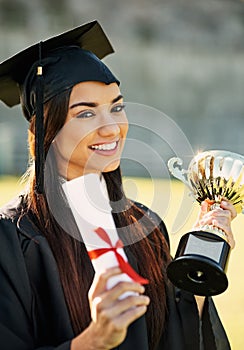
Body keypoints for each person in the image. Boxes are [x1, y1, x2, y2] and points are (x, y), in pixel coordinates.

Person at [0, 20, 236, 350]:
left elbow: (173, 337)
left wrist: (200, 254)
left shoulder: (147, 228)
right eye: (86, 114)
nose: (111, 128)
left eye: (117, 107)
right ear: (45, 131)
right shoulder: (11, 239)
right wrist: (95, 340)